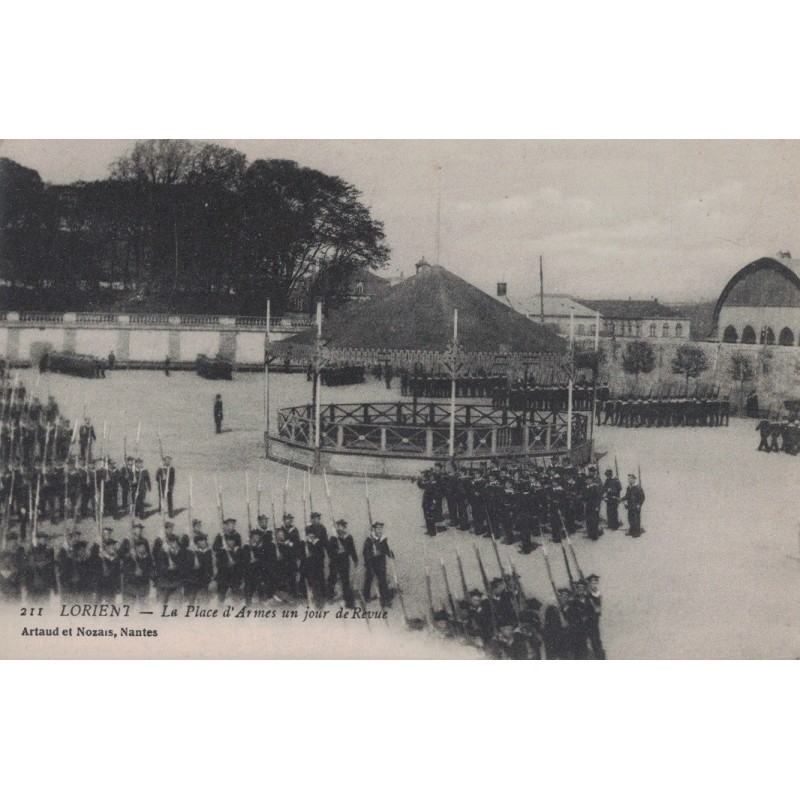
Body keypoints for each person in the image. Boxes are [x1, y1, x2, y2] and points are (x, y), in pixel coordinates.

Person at [326, 518, 357, 607]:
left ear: (345, 527)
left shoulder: (349, 537)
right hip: (335, 561)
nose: (341, 528)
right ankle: (329, 597)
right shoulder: (333, 537)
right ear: (337, 527)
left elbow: (352, 549)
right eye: (339, 527)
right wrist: (335, 550)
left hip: (344, 561)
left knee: (345, 581)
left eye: (343, 527)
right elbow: (329, 550)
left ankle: (348, 602)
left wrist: (355, 560)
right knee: (332, 579)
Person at [362, 521, 394, 607]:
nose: (380, 530)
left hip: (381, 562)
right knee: (369, 579)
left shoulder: (383, 539)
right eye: (378, 529)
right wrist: (371, 557)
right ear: (374, 529)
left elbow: (386, 548)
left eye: (381, 528)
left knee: (382, 580)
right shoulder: (369, 540)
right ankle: (366, 596)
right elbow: (365, 552)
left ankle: (385, 600)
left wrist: (391, 554)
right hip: (371, 563)